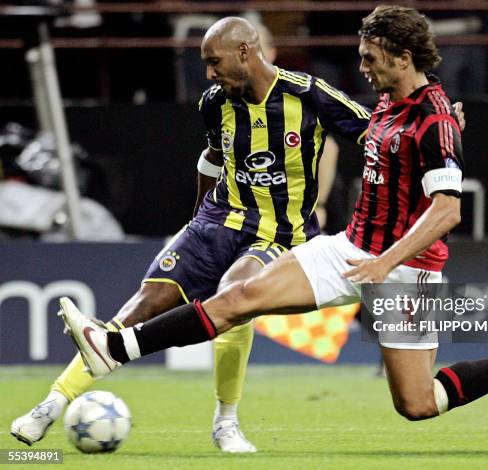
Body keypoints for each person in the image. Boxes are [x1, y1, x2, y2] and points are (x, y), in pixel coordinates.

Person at [58, 5, 488, 429]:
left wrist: (386, 263)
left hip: (407, 268)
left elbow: (447, 209)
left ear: (403, 57)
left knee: (418, 404)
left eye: (370, 58)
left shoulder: (433, 118)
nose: (362, 67)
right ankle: (115, 346)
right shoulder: (387, 102)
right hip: (348, 246)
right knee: (238, 299)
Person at [11, 16, 374, 453]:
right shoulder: (215, 102)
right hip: (216, 221)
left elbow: (377, 132)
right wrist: (196, 221)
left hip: (278, 231)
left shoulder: (308, 94)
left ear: (245, 51)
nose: (208, 73)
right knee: (138, 308)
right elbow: (212, 158)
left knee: (236, 293)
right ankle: (50, 406)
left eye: (213, 62)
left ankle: (226, 421)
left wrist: (438, 125)